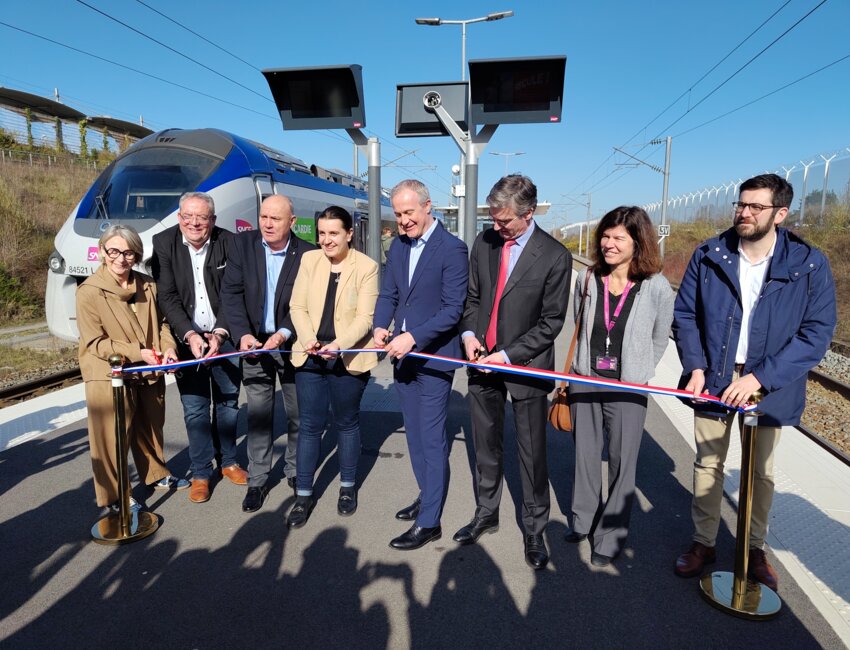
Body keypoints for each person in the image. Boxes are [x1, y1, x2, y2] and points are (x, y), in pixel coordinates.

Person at [672, 173, 836, 590]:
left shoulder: (809, 263)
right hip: (713, 377)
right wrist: (695, 367)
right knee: (707, 462)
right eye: (740, 204)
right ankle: (703, 543)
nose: (744, 213)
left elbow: (816, 333)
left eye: (755, 207)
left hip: (769, 383)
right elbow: (686, 314)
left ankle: (754, 547)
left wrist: (759, 378)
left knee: (759, 471)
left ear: (780, 213)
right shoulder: (710, 253)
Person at [455, 174, 571, 570]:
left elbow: (551, 322)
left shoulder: (555, 255)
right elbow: (472, 298)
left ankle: (535, 528)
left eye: (504, 221)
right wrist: (470, 335)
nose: (497, 227)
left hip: (525, 367)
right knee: (485, 446)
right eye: (493, 218)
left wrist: (505, 355)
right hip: (479, 362)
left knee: (532, 454)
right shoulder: (484, 243)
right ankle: (486, 512)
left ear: (529, 213)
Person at [565, 206, 674, 567]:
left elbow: (661, 338)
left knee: (622, 462)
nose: (608, 244)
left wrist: (641, 368)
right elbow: (577, 325)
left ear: (638, 242)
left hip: (628, 389)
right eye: (605, 236)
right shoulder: (587, 278)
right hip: (585, 380)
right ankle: (582, 520)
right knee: (584, 456)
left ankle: (610, 535)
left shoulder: (656, 286)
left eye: (618, 238)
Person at [373, 179, 468, 551]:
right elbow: (389, 294)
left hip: (433, 358)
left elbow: (452, 310)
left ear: (429, 207)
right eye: (397, 215)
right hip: (402, 358)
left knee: (431, 439)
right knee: (413, 436)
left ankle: (430, 523)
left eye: (408, 213)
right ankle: (426, 495)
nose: (403, 221)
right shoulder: (397, 247)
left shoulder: (452, 249)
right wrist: (380, 324)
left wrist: (413, 337)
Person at [76, 224, 188, 511]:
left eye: (128, 252)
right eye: (113, 251)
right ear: (102, 252)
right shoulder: (89, 292)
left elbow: (164, 324)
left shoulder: (148, 285)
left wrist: (169, 348)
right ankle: (116, 497)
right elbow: (95, 343)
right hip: (109, 374)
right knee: (112, 438)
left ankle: (156, 473)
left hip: (148, 368)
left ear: (136, 255)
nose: (120, 258)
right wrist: (136, 353)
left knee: (150, 425)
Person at [220, 194, 317, 513]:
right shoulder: (242, 246)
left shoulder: (308, 254)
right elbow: (231, 295)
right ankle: (258, 480)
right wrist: (243, 334)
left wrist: (284, 332)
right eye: (264, 217)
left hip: (292, 346)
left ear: (292, 222)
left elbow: (309, 304)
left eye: (276, 219)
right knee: (259, 415)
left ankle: (294, 471)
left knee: (298, 414)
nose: (268, 224)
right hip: (254, 347)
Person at [285, 206, 379, 528]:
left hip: (347, 358)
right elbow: (296, 306)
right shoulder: (309, 260)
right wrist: (310, 340)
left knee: (346, 423)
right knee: (309, 425)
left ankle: (348, 487)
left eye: (334, 233)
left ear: (349, 234)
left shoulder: (366, 267)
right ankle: (303, 494)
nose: (326, 240)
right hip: (310, 355)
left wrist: (338, 345)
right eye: (322, 233)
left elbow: (365, 320)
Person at [151, 191, 246, 504]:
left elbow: (234, 293)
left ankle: (229, 461)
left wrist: (219, 333)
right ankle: (201, 471)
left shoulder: (230, 243)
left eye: (201, 217)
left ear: (212, 221)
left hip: (224, 335)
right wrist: (190, 334)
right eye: (188, 216)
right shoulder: (163, 244)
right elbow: (167, 297)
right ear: (180, 218)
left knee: (228, 403)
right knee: (195, 409)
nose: (194, 223)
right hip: (186, 339)